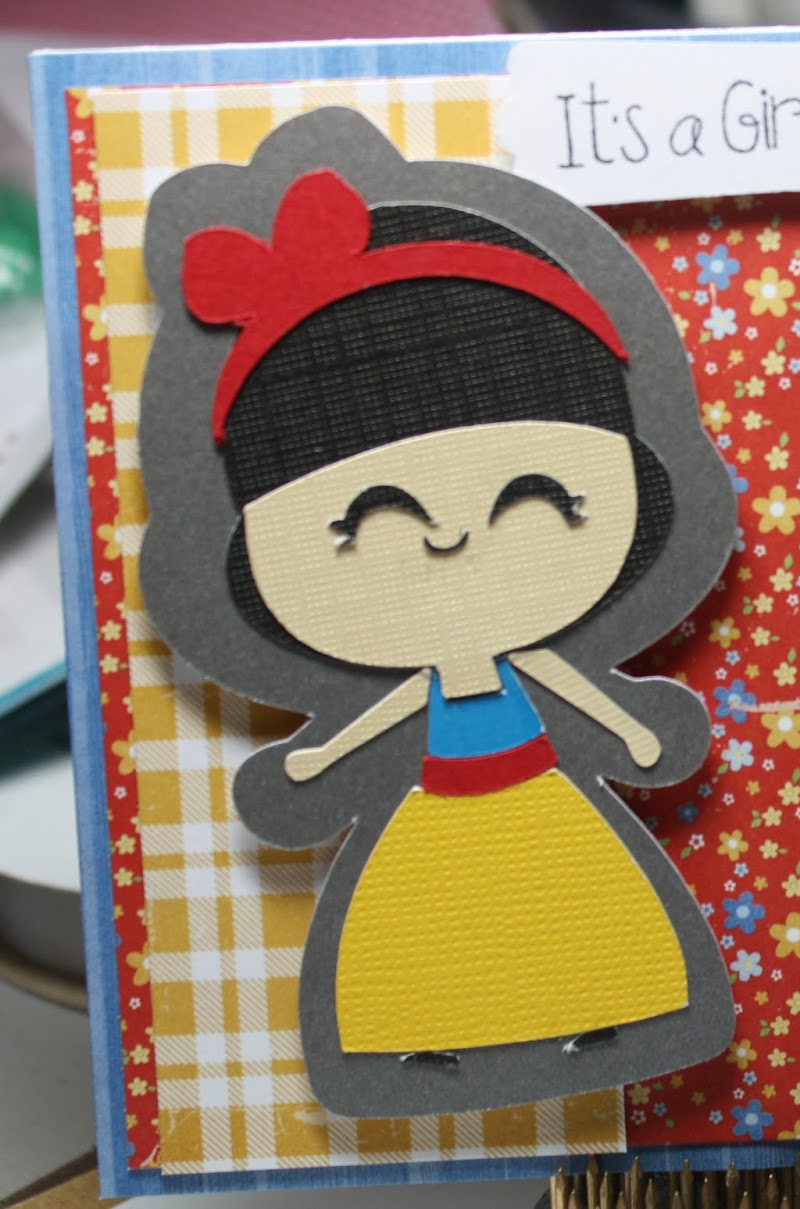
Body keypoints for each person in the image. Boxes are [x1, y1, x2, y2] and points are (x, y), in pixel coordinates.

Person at [183, 167, 700, 1056]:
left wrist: (629, 726)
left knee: (564, 900)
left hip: (533, 788)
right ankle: (431, 1033)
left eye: (536, 498)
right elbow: (388, 714)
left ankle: (597, 1010)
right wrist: (323, 754)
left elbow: (569, 686)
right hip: (443, 801)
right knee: (433, 916)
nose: (452, 536)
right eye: (372, 520)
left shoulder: (518, 650)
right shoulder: (426, 658)